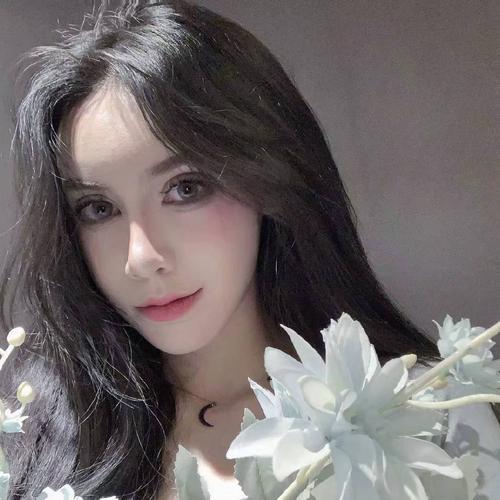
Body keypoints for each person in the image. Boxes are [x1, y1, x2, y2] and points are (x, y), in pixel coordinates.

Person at [0, 0, 497, 498]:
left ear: (270, 179)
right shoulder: (33, 438)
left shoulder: (432, 415)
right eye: (98, 208)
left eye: (186, 188)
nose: (141, 257)